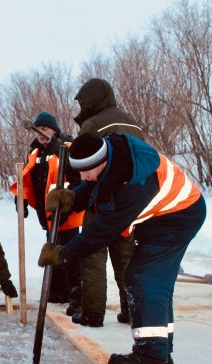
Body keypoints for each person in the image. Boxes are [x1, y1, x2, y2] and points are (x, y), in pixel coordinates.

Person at [38, 132, 206, 364]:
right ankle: (160, 349)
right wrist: (73, 198)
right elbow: (99, 183)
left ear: (101, 163)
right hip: (163, 215)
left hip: (178, 217)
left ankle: (151, 355)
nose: (83, 177)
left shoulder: (132, 183)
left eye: (86, 172)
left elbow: (101, 232)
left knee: (144, 278)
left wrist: (64, 254)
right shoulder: (113, 154)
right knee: (151, 280)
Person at [71, 78, 145, 327]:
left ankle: (93, 314)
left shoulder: (93, 124)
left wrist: (76, 195)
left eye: (82, 102)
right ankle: (131, 311)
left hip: (100, 201)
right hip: (131, 203)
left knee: (92, 257)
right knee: (126, 259)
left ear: (91, 100)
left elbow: (85, 165)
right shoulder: (131, 120)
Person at [10, 112, 83, 316]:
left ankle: (76, 297)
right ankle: (57, 292)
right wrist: (21, 200)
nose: (41, 133)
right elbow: (25, 178)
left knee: (70, 252)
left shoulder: (66, 148)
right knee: (52, 250)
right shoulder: (34, 152)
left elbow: (77, 175)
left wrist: (69, 204)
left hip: (66, 211)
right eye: (38, 129)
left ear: (54, 130)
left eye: (45, 129)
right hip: (47, 214)